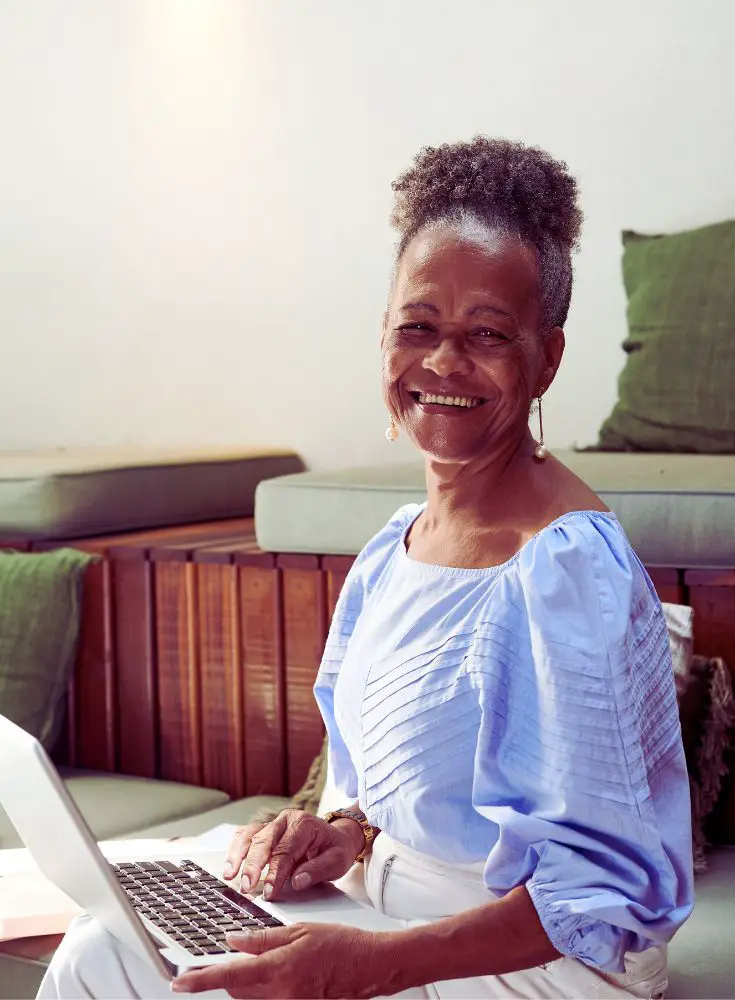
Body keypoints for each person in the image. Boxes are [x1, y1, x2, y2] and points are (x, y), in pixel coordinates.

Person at [39, 137, 693, 1000]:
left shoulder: (568, 572)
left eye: (488, 334)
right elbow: (408, 796)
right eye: (417, 327)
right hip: (390, 902)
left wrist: (367, 966)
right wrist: (345, 831)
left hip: (545, 965)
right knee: (106, 939)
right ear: (383, 336)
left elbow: (601, 902)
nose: (443, 362)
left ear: (547, 358)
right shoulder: (396, 546)